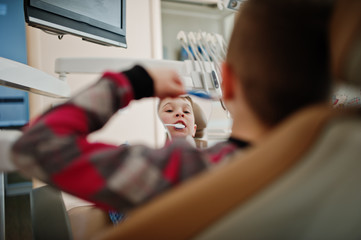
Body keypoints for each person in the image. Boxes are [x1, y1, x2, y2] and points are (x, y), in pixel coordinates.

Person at [10, 0, 331, 215]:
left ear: (226, 82)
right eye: (169, 109)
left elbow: (37, 148)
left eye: (185, 110)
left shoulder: (186, 168)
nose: (178, 113)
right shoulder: (336, 167)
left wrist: (132, 82)